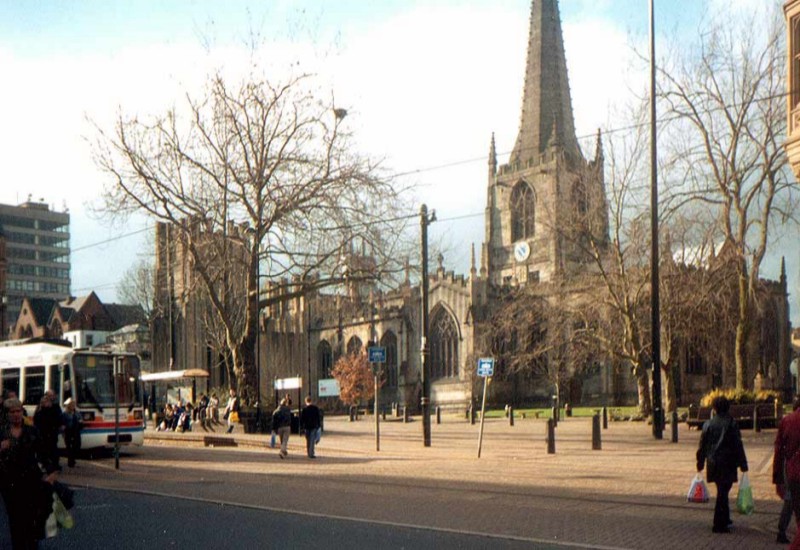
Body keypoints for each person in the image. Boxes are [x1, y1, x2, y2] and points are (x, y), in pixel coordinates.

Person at [0, 398, 59, 549]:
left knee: (32, 517)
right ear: (7, 414)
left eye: (18, 411)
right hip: (9, 482)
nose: (16, 415)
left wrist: (52, 471)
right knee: (16, 518)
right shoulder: (2, 432)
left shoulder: (31, 431)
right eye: (12, 412)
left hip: (31, 480)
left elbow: (44, 453)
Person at [696, 395, 749, 534]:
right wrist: (743, 463)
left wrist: (700, 462)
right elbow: (738, 445)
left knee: (722, 490)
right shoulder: (731, 423)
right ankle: (719, 523)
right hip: (728, 462)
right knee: (723, 491)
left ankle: (724, 518)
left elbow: (702, 446)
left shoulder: (708, 424)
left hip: (713, 462)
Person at [774, 396, 800, 546]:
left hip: (792, 471)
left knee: (791, 502)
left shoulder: (787, 421)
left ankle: (782, 530)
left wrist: (778, 479)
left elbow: (779, 451)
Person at [33, 390, 63, 470]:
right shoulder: (40, 409)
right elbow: (36, 419)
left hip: (52, 432)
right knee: (43, 449)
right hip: (42, 432)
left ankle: (54, 464)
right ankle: (45, 463)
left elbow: (58, 418)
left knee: (53, 448)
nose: (51, 397)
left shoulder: (55, 407)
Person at [61, 398, 83, 468]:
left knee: (77, 445)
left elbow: (81, 419)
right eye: (72, 405)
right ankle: (71, 462)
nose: (73, 406)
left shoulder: (77, 413)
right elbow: (62, 423)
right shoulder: (65, 414)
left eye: (74, 404)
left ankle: (72, 459)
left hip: (76, 431)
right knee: (69, 447)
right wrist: (63, 431)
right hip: (68, 431)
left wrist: (80, 422)